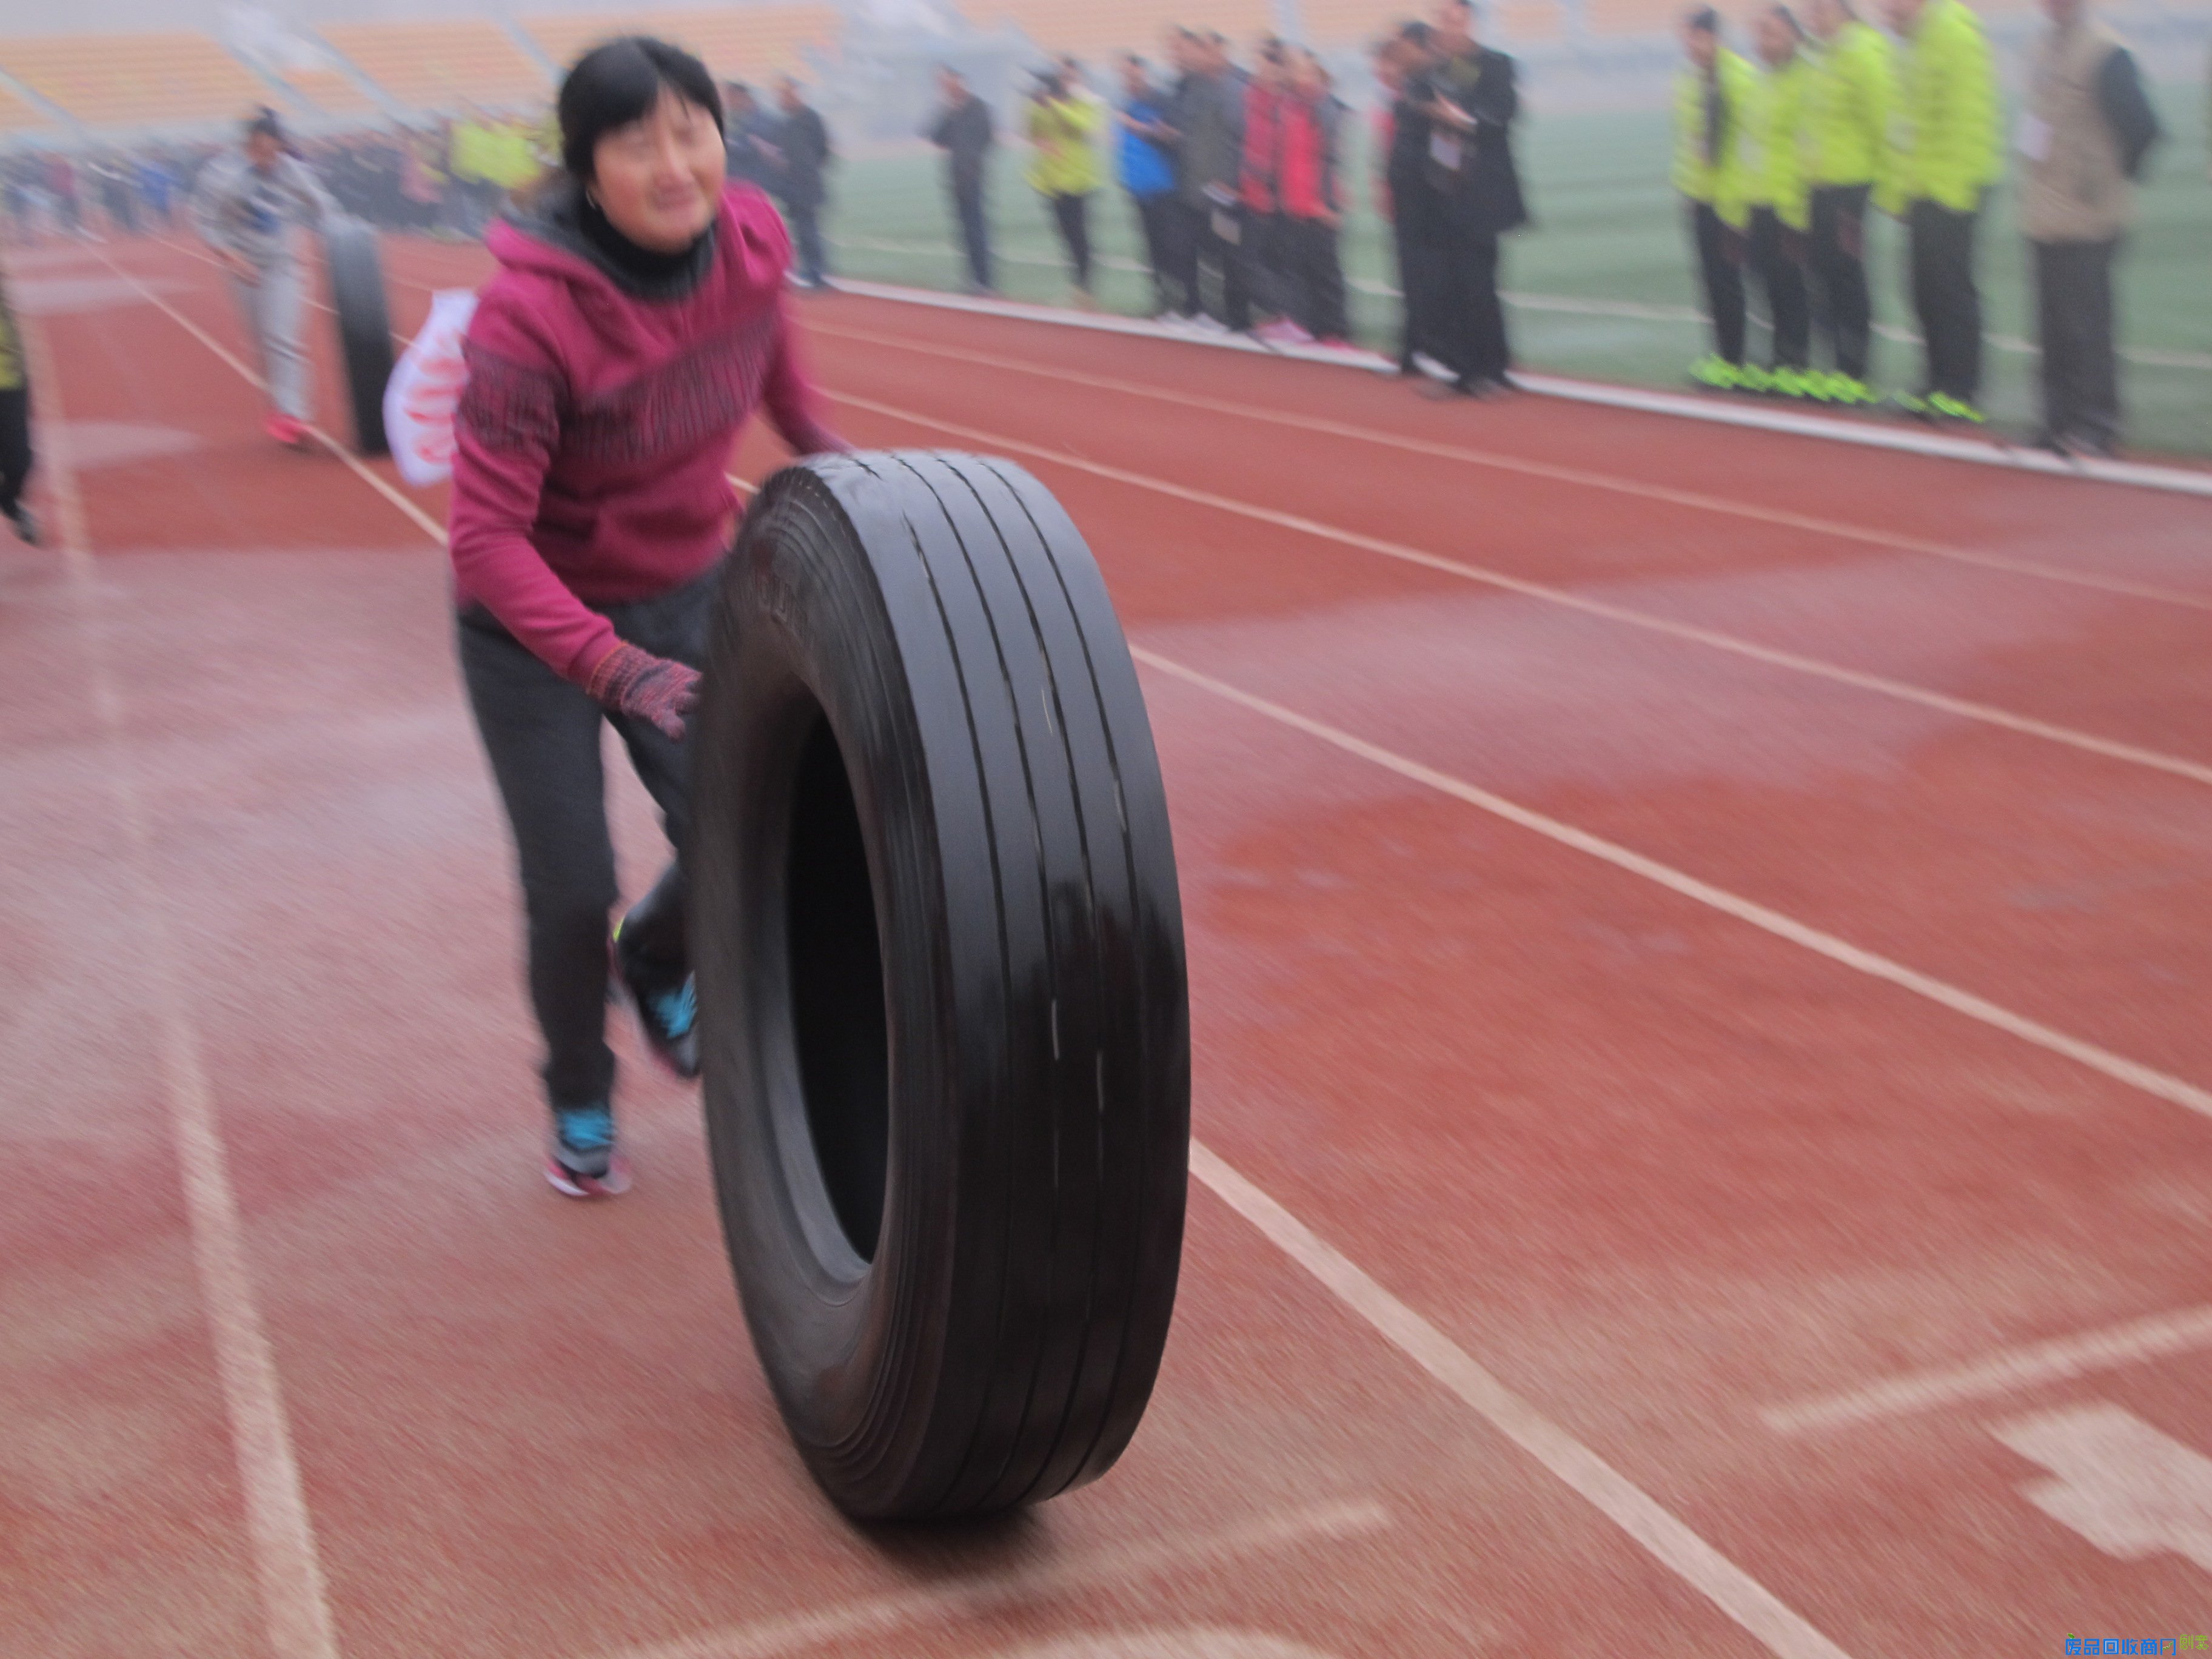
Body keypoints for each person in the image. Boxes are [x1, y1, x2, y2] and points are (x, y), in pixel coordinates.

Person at [447, 36, 845, 1198]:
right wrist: (609, 667)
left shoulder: (755, 242)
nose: (676, 164)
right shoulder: (525, 322)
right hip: (531, 627)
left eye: (693, 130)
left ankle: (660, 952)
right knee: (571, 885)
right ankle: (579, 1089)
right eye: (637, 141)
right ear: (586, 167)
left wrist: (887, 496)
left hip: (683, 590)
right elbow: (484, 541)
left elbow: (787, 391)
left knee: (750, 830)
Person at [2020, 0, 2160, 456]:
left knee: (2088, 323)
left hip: (2089, 214)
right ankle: (2056, 420)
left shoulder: (2106, 53)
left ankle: (2098, 421)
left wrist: (2104, 181)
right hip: (2044, 208)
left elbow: (2143, 128)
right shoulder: (2041, 46)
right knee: (2052, 323)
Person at [1880, 0, 2002, 423]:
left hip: (1951, 191)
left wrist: (1952, 194)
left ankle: (1961, 390)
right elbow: (1906, 129)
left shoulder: (1954, 35)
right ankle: (1934, 382)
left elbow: (1965, 122)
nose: (1885, 9)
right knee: (1923, 291)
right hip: (1923, 192)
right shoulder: (1912, 45)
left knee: (1951, 291)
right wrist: (1900, 195)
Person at [190, 112, 333, 447]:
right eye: (261, 151)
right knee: (262, 342)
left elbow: (323, 204)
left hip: (282, 264)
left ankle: (293, 415)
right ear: (249, 146)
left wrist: (336, 237)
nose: (269, 159)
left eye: (275, 151)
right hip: (243, 266)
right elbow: (205, 221)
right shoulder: (222, 175)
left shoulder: (292, 170)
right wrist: (230, 256)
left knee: (283, 338)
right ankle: (279, 407)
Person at [1415, 0, 1529, 397]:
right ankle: (1478, 368)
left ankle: (1486, 369)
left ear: (1470, 21)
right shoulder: (1439, 69)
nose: (1446, 26)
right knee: (1455, 284)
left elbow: (1503, 116)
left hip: (1482, 194)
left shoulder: (1494, 64)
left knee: (1478, 283)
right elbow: (1414, 103)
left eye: (1453, 18)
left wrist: (1461, 119)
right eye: (1441, 19)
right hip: (1446, 192)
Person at [1802, 0, 1892, 403]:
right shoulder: (1820, 57)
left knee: (1846, 275)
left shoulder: (1862, 53)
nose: (1812, 17)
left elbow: (1882, 122)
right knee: (1821, 275)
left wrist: (1886, 186)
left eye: (1819, 8)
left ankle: (1855, 370)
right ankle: (1834, 365)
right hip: (1818, 186)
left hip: (1850, 188)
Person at [1675, 9, 1755, 389]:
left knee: (1732, 282)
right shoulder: (1690, 81)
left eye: (1695, 39)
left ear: (1713, 38)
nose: (1689, 47)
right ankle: (1724, 356)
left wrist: (1740, 202)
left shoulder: (1739, 79)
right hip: (1701, 197)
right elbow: (1692, 143)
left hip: (1732, 201)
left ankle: (1741, 360)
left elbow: (1748, 144)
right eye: (1686, 39)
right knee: (1711, 281)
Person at [1252, 50, 1350, 347]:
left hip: (1319, 205)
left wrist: (1328, 204)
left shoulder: (1325, 109)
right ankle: (1304, 323)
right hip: (1292, 203)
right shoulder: (1289, 107)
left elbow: (1332, 160)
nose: (1297, 77)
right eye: (1295, 71)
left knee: (1326, 270)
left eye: (1304, 72)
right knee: (1297, 267)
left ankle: (1336, 330)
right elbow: (1282, 157)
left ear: (1317, 75)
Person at [1743, 7, 1814, 395]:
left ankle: (1796, 361)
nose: (1762, 41)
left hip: (1791, 203)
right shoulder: (1760, 81)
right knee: (1767, 283)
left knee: (1791, 286)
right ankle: (1779, 358)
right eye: (1758, 33)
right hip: (1760, 198)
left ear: (1791, 34)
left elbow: (1809, 146)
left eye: (1769, 33)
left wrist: (1800, 207)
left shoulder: (1807, 79)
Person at [1158, 29, 1248, 333]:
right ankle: (1206, 313)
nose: (1198, 56)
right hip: (1197, 188)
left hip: (1226, 190)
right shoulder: (1196, 88)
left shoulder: (1235, 88)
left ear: (1222, 52)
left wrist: (1230, 180)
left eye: (1205, 50)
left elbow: (1239, 140)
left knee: (1231, 254)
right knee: (1201, 251)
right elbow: (1194, 137)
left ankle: (1239, 319)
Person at [1379, 24, 1444, 375]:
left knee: (1427, 273)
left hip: (1426, 195)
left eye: (1402, 45)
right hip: (1406, 193)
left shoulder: (1435, 82)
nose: (1397, 53)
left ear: (1419, 46)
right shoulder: (1410, 85)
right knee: (1408, 274)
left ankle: (1431, 346)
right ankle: (1412, 350)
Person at [1025, 62, 1106, 306]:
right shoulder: (1044, 104)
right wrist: (1038, 106)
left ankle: (1086, 287)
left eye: (1070, 75)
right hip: (1052, 180)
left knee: (1080, 234)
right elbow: (1034, 132)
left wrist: (1056, 105)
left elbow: (1083, 126)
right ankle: (1077, 285)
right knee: (1065, 235)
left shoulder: (1087, 101)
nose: (1066, 80)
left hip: (1079, 179)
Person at [1115, 55, 1179, 316]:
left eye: (1134, 76)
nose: (1131, 81)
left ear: (1144, 74)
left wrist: (1137, 127)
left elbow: (1169, 137)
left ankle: (1178, 303)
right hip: (1138, 189)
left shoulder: (1159, 101)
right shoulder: (1126, 104)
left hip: (1162, 187)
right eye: (1126, 77)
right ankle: (1161, 300)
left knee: (1170, 248)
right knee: (1150, 248)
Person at [928, 66, 997, 294]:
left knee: (977, 228)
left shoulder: (978, 108)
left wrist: (973, 163)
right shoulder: (951, 110)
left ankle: (985, 280)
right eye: (942, 84)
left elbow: (986, 138)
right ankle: (972, 278)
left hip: (973, 175)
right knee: (964, 230)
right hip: (956, 176)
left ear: (960, 81)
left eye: (948, 82)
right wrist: (947, 111)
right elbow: (936, 137)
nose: (946, 88)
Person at [774, 77, 833, 289]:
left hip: (807, 183)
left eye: (785, 94)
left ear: (796, 93)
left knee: (809, 230)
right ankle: (810, 271)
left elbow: (823, 150)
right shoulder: (787, 122)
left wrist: (809, 170)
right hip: (792, 185)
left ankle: (817, 273)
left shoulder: (811, 118)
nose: (782, 99)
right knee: (801, 230)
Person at [0, 261, 36, 546]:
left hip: (11, 387)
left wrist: (26, 385)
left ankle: (9, 503)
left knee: (21, 462)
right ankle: (14, 510)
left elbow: (15, 343)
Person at [722, 81, 785, 194]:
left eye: (730, 97)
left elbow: (773, 154)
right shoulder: (736, 119)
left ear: (740, 96)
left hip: (758, 185)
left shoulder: (765, 121)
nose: (728, 102)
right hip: (737, 184)